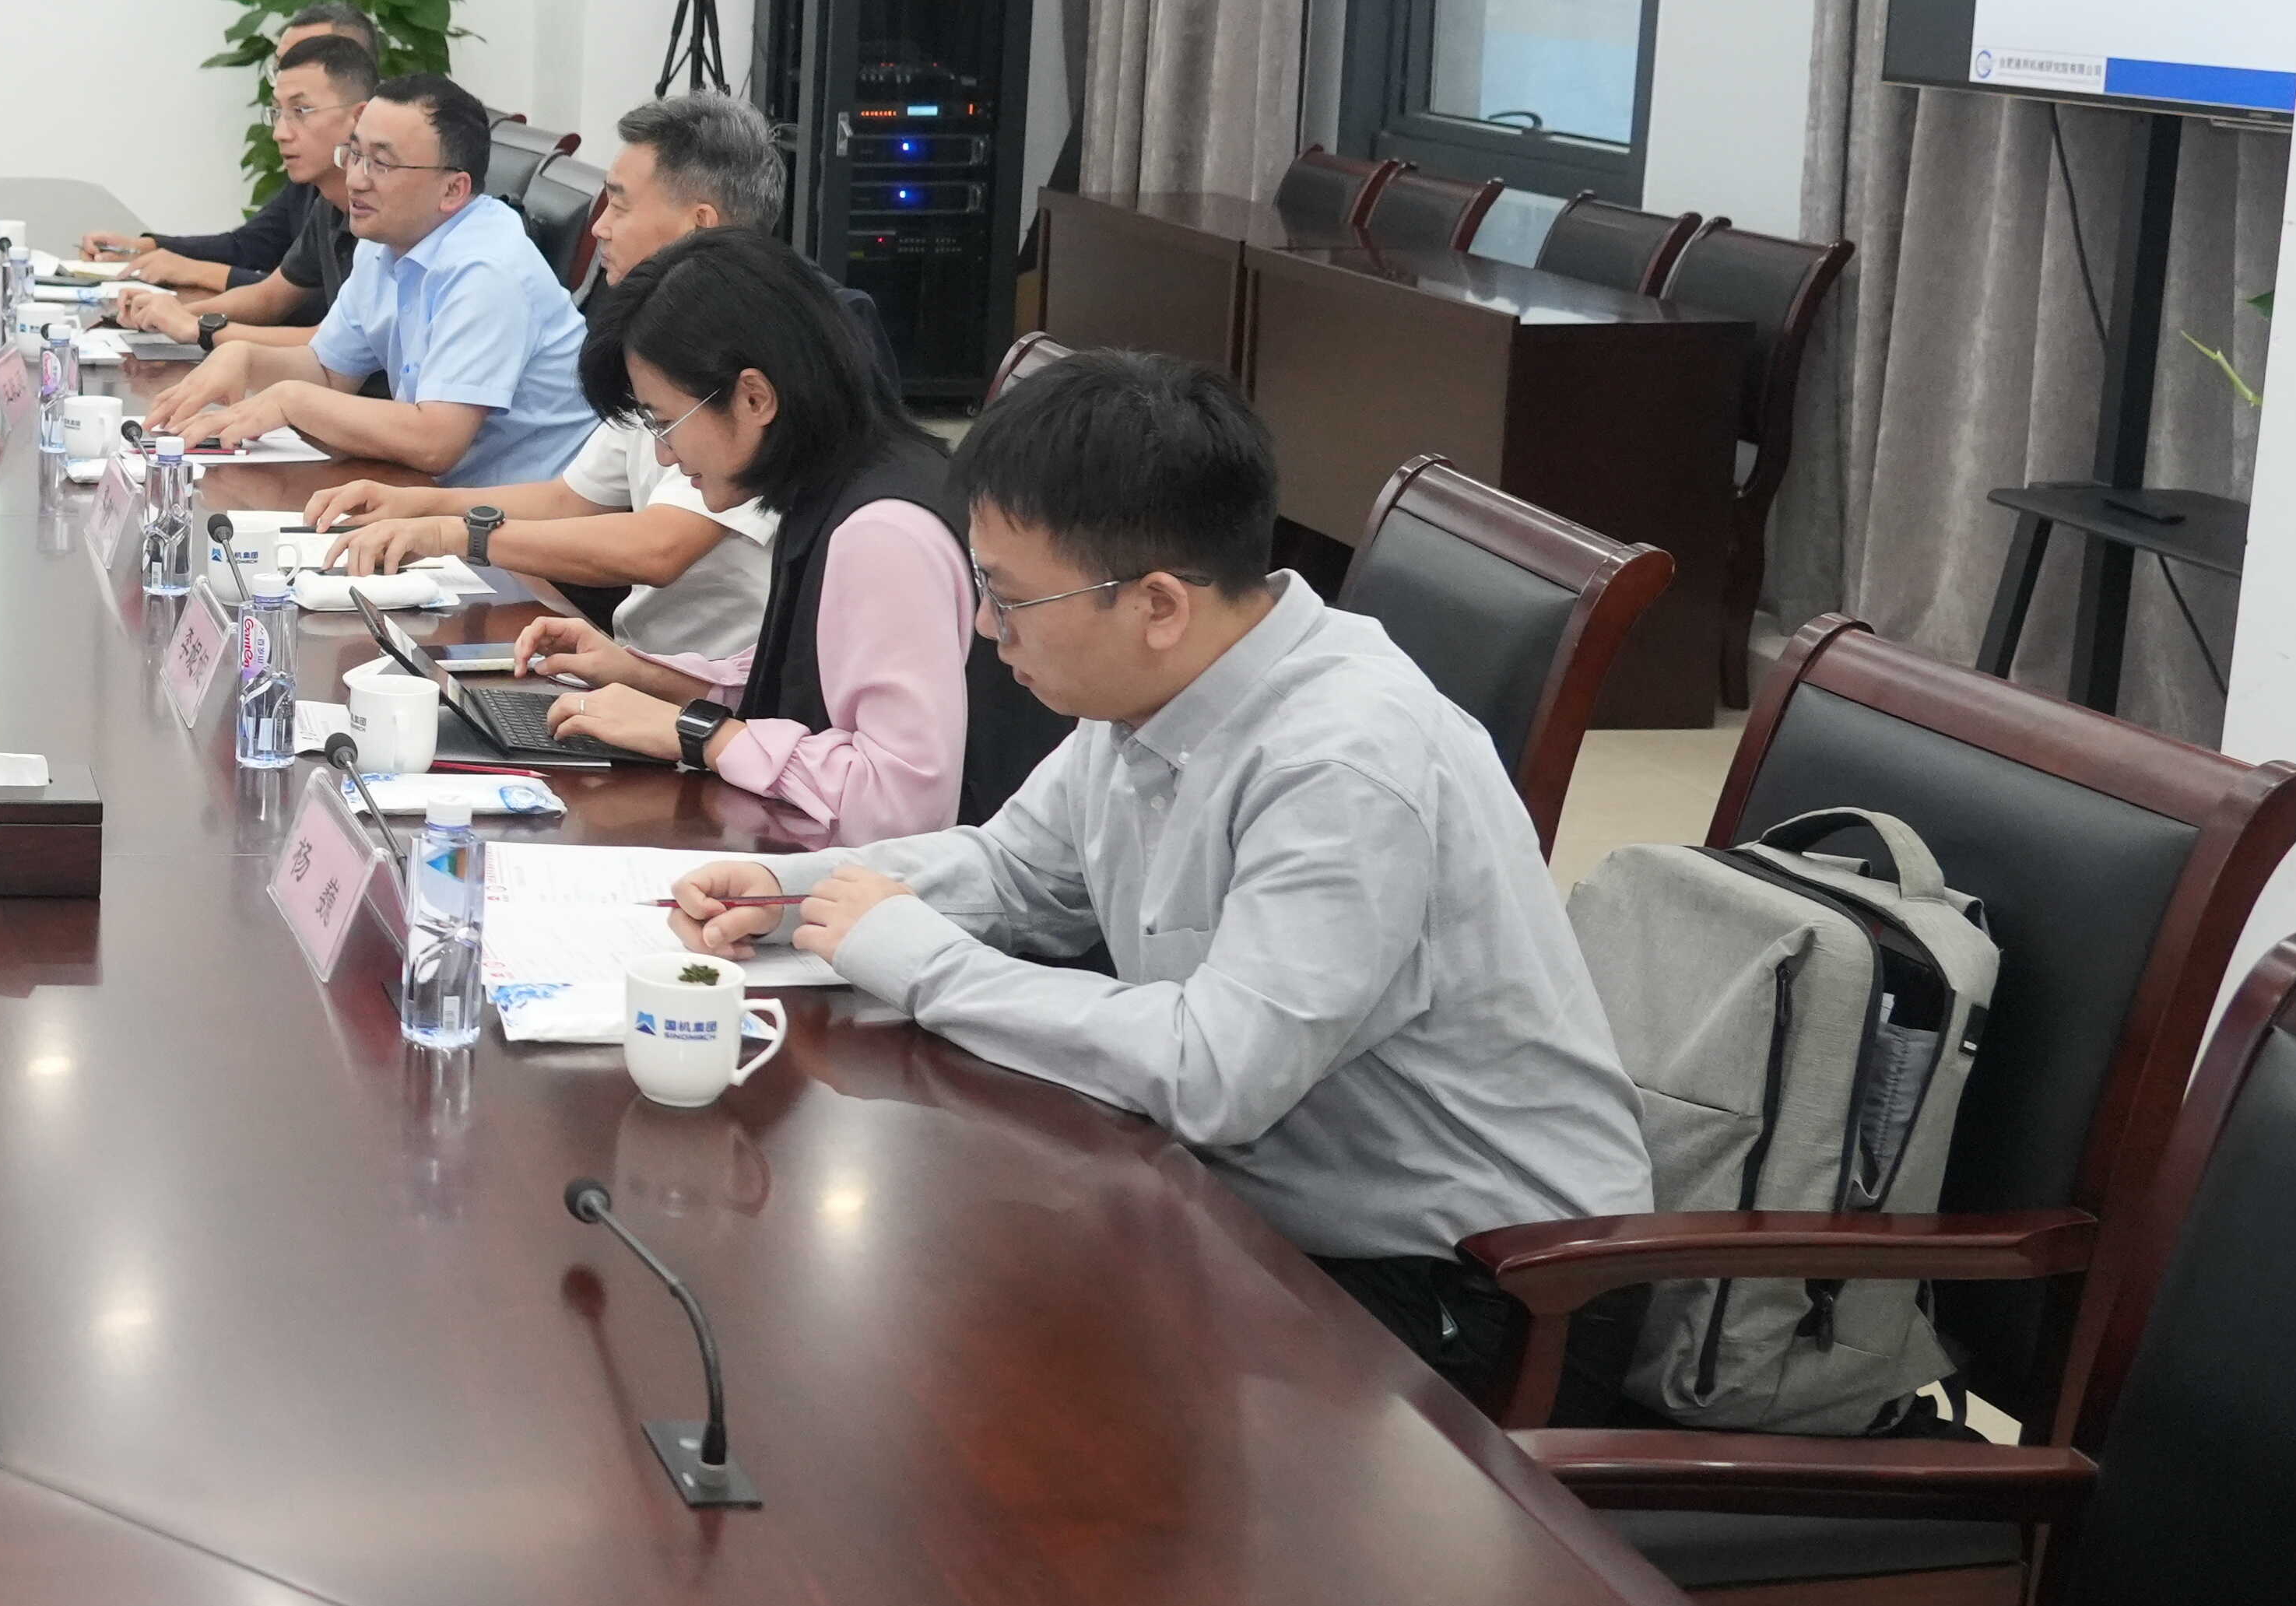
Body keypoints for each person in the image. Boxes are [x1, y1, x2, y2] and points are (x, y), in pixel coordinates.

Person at [665, 351, 1653, 1393]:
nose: (986, 630)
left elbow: (1214, 1073)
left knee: (964, 1355)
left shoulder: (1342, 762)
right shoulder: (1160, 684)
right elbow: (1017, 870)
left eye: (1007, 597)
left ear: (1158, 604)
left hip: (1483, 1285)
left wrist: (922, 961)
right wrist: (800, 893)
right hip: (1269, 1201)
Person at [518, 232, 1064, 833]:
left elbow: (901, 803)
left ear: (754, 398)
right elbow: (810, 685)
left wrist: (699, 735)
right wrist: (638, 675)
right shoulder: (836, 481)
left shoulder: (883, 534)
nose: (665, 455)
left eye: (665, 423)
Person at [300, 89, 785, 666]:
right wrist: (415, 505)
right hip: (637, 662)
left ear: (697, 225)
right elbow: (569, 498)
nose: (599, 228)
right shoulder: (659, 334)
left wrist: (457, 534)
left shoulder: (751, 350)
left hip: (719, 689)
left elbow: (660, 547)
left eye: (620, 207)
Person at [155, 76, 594, 486]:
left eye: (381, 163)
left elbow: (436, 441)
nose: (355, 180)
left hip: (523, 521)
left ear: (453, 190)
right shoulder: (385, 239)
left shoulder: (487, 270)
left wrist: (292, 400)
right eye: (354, 154)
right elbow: (330, 372)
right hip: (435, 498)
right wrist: (246, 358)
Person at [110, 31, 376, 377]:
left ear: (359, 118)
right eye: (278, 113)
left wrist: (202, 329)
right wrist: (172, 313)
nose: (280, 133)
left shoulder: (385, 213)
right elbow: (269, 298)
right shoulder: (327, 204)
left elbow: (335, 344)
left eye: (301, 111)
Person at [84, 2, 383, 293]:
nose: (280, 133)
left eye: (310, 57)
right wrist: (146, 248)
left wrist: (195, 279)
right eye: (282, 64)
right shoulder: (321, 190)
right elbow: (251, 248)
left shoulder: (382, 195)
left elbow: (320, 306)